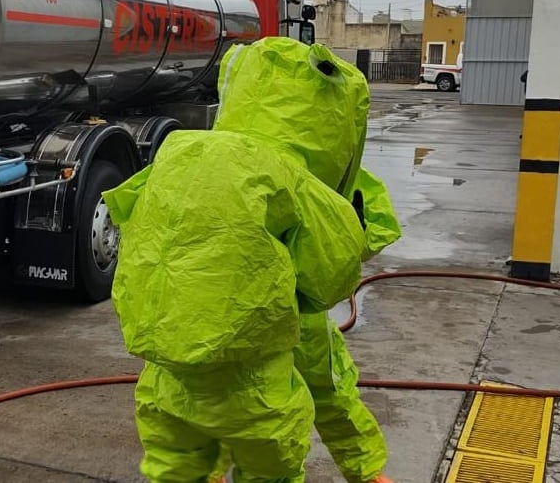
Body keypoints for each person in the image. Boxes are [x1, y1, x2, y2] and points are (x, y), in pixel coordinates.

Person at [103, 37, 385, 483]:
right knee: (268, 471)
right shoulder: (290, 180)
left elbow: (127, 217)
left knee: (174, 469)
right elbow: (328, 285)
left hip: (164, 386)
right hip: (258, 398)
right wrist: (365, 467)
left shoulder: (176, 154)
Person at [214, 39, 401, 483]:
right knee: (287, 408)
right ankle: (366, 470)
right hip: (276, 311)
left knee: (234, 406)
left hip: (250, 311)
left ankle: (365, 470)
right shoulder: (305, 178)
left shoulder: (206, 163)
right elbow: (359, 235)